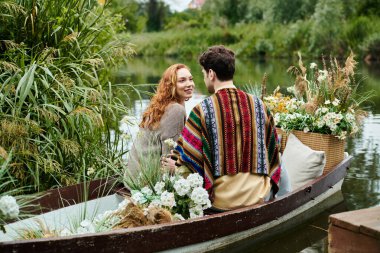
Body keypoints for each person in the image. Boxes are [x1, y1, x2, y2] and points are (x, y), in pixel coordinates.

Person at [172, 46, 281, 211]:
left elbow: (188, 158)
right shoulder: (259, 105)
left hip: (221, 202)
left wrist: (174, 165)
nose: (204, 79)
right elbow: (273, 149)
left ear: (211, 74)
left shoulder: (202, 110)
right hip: (258, 195)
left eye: (203, 74)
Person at [127, 63, 195, 176]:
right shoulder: (176, 110)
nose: (189, 84)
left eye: (190, 79)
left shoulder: (162, 105)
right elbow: (169, 158)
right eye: (182, 80)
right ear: (171, 86)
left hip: (132, 176)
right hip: (145, 180)